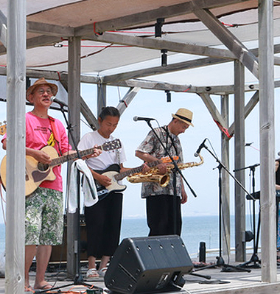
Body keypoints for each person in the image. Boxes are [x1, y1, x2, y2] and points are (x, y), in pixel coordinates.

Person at [2, 78, 99, 292]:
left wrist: (86, 153)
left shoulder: (57, 124)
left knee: (48, 235)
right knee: (30, 233)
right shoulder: (24, 119)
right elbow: (7, 143)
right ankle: (23, 281)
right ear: (31, 97)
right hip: (30, 185)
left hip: (54, 185)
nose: (46, 94)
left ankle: (40, 280)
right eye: (41, 91)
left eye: (49, 91)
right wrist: (34, 153)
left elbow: (65, 152)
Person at [77, 106, 131, 279]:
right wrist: (98, 177)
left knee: (113, 225)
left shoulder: (117, 142)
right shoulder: (89, 138)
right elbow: (79, 163)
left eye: (115, 125)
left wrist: (139, 169)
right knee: (95, 224)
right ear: (100, 121)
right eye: (109, 124)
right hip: (95, 186)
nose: (111, 128)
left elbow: (121, 168)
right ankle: (91, 265)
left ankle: (105, 265)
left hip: (115, 187)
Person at [135, 108, 193, 237]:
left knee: (175, 228)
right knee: (158, 227)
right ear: (175, 121)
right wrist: (158, 162)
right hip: (156, 189)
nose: (183, 131)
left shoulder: (177, 140)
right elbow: (139, 152)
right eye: (183, 127)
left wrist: (182, 189)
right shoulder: (156, 133)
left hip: (173, 189)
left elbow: (179, 167)